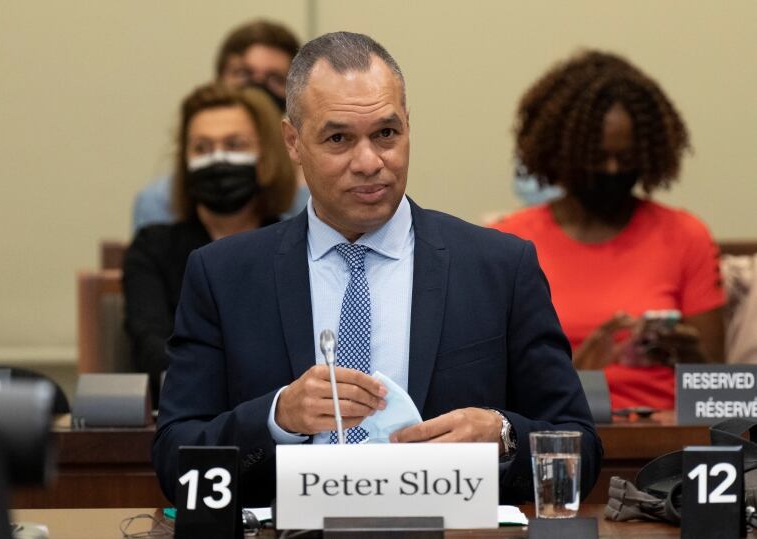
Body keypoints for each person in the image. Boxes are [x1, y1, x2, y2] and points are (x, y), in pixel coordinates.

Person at [153, 32, 601, 506]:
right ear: (293, 141)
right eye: (339, 138)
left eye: (386, 134)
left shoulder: (499, 268)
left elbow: (581, 449)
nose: (369, 162)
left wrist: (504, 435)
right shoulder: (223, 276)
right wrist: (276, 418)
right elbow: (174, 461)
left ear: (408, 126)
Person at [492, 51, 725, 411]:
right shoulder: (510, 243)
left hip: (666, 446)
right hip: (559, 438)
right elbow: (496, 392)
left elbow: (720, 401)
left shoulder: (684, 236)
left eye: (627, 159)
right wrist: (574, 375)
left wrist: (691, 357)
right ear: (561, 153)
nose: (613, 170)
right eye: (597, 158)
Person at [123, 83, 297, 406]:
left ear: (265, 159)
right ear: (185, 165)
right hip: (186, 425)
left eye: (234, 144)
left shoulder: (298, 245)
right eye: (201, 148)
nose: (218, 159)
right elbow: (150, 350)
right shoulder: (153, 248)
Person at [132, 19, 306, 231]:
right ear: (219, 80)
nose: (257, 88)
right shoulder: (160, 201)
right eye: (243, 74)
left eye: (275, 79)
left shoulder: (314, 197)